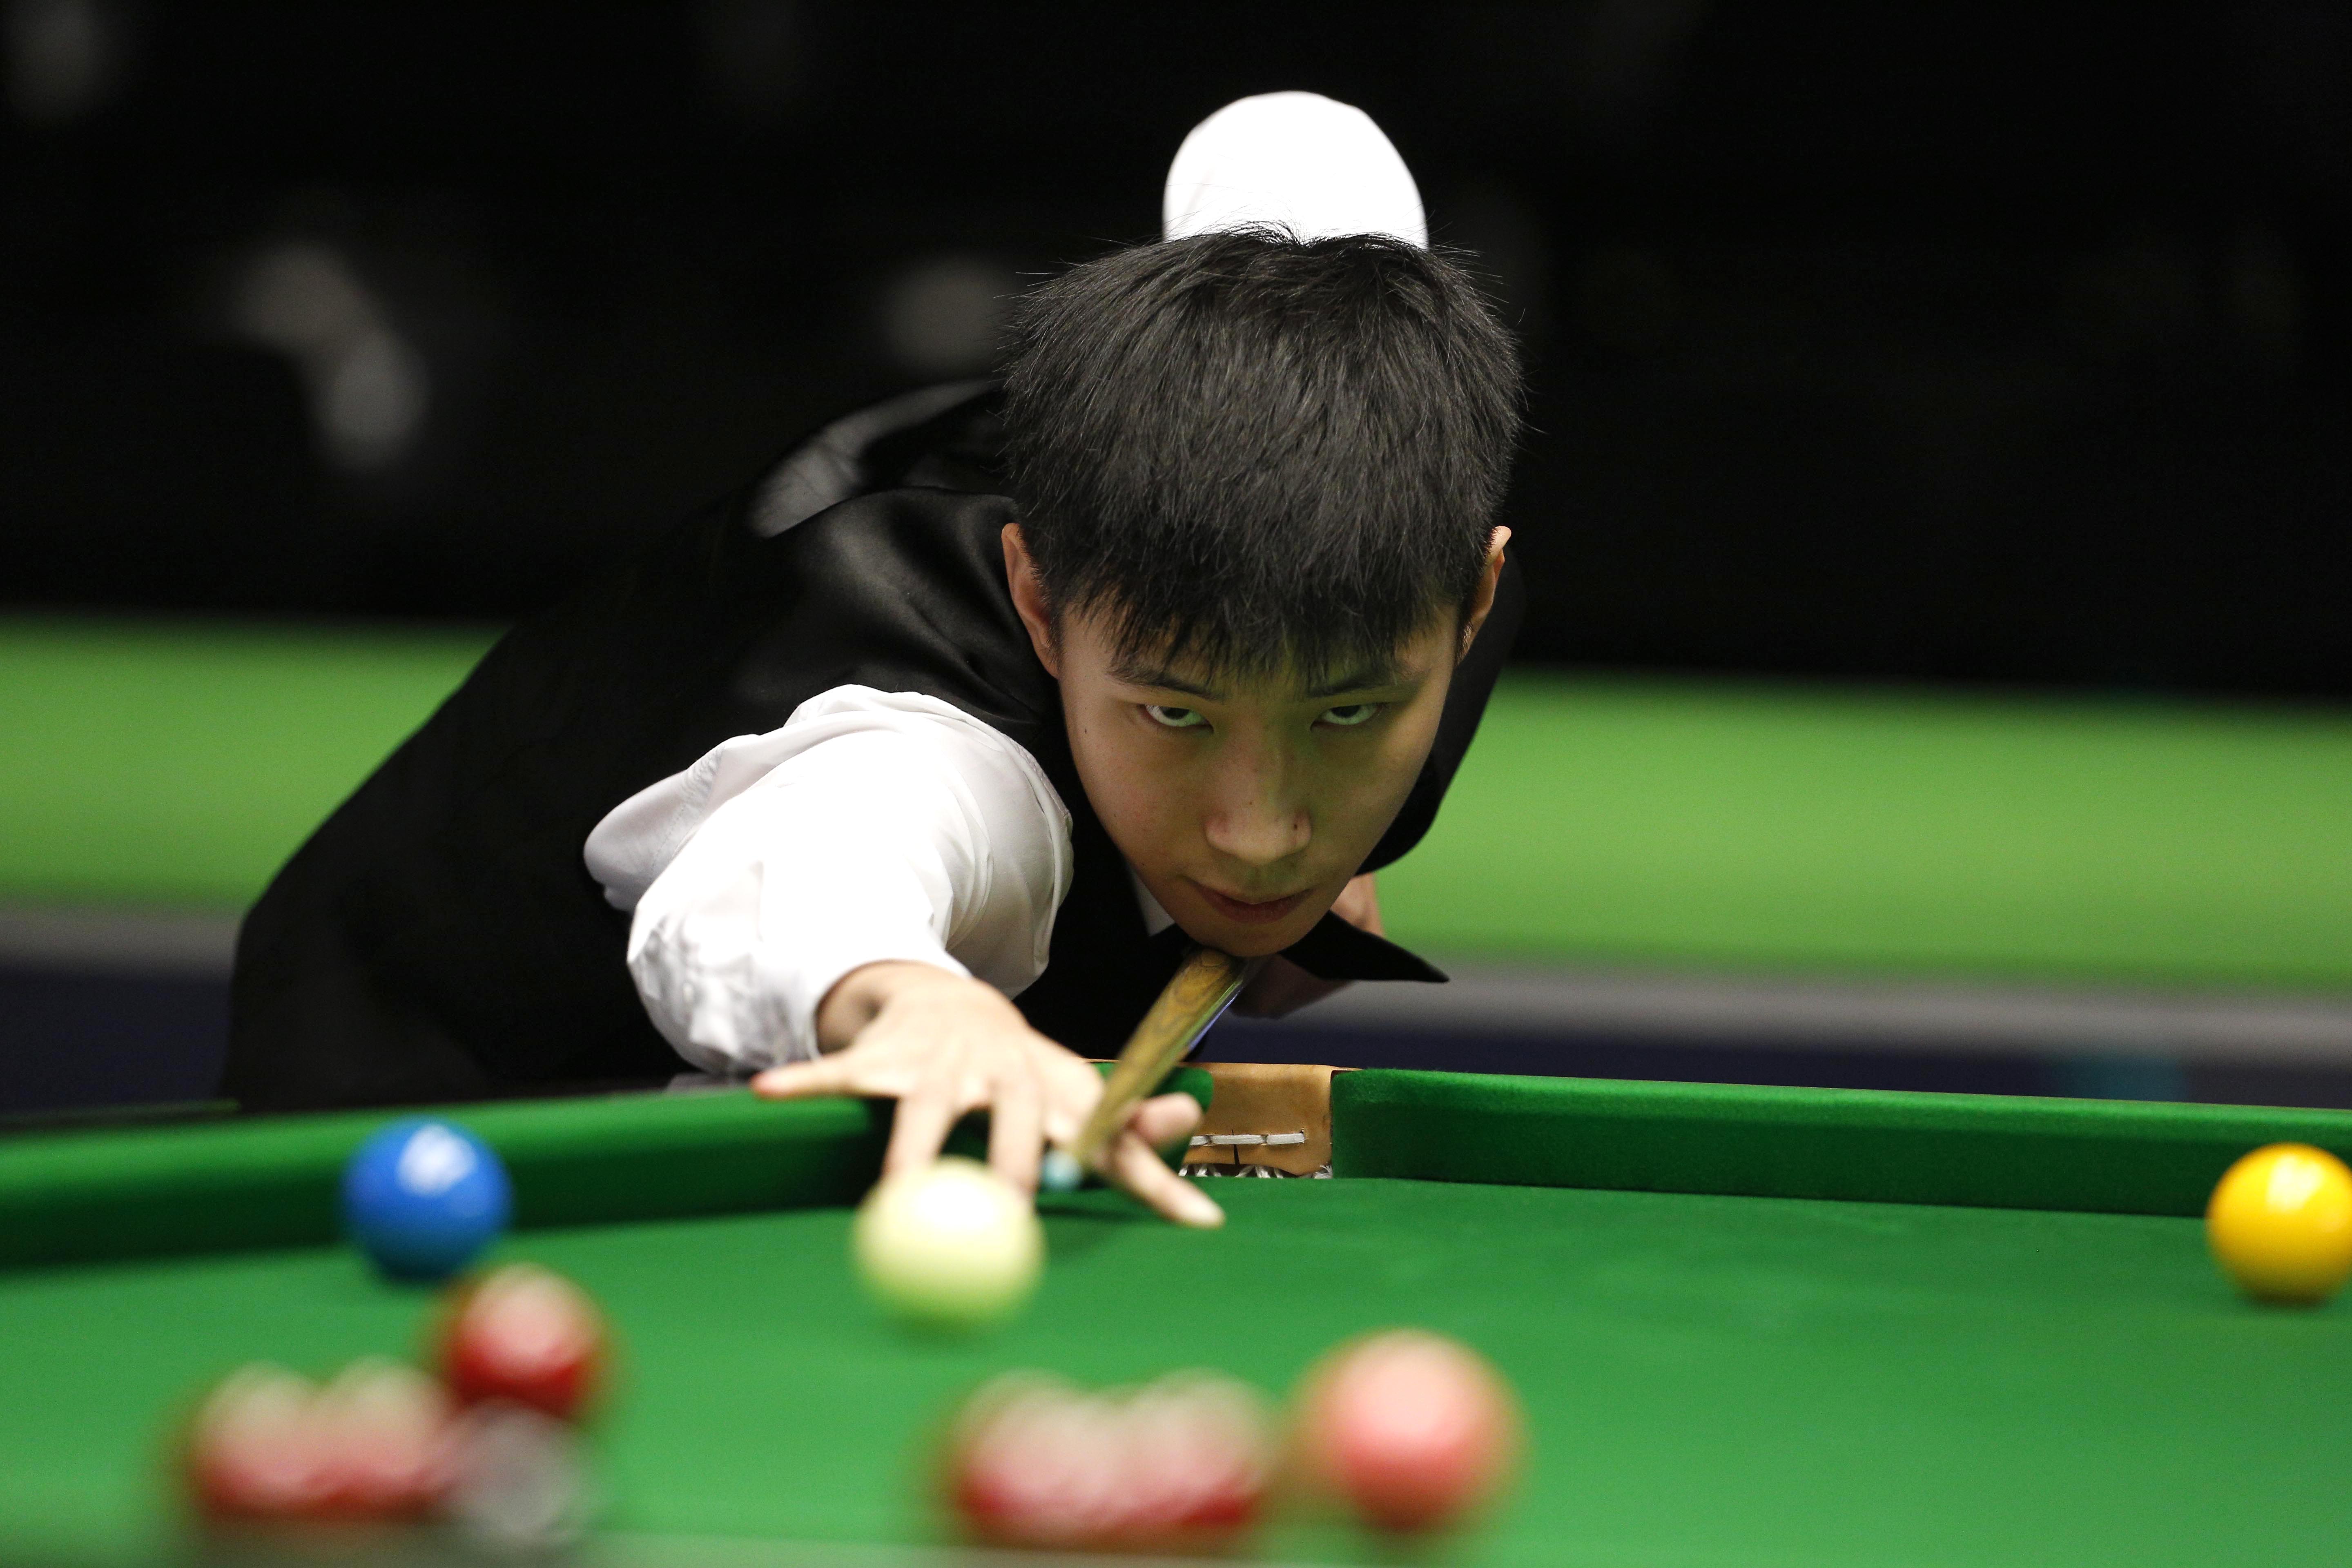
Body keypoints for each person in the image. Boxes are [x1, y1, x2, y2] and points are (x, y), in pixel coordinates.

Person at [224, 92, 1524, 1228]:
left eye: (1347, 713)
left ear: (1473, 599)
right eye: (1175, 715)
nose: (1254, 834)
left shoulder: (1382, 477)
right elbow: (790, 879)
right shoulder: (941, 747)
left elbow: (1284, 157)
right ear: (1039, 601)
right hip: (435, 1109)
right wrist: (904, 998)